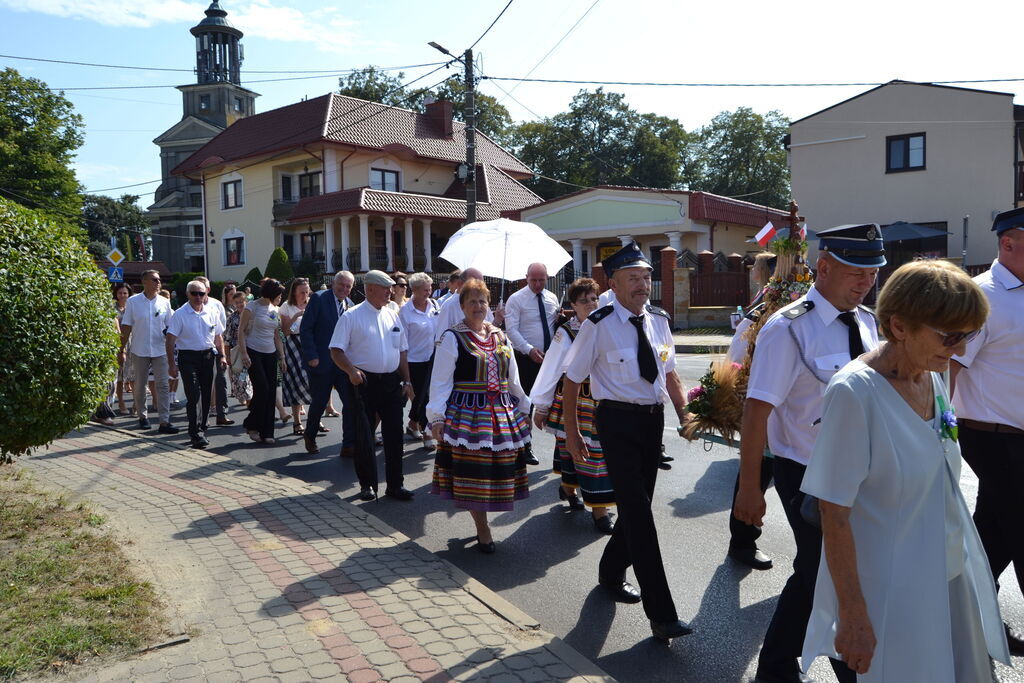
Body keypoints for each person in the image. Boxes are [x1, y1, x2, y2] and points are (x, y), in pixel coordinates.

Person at [801, 260, 1009, 681]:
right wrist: (854, 615)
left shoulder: (933, 373)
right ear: (898, 326)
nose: (962, 350)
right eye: (951, 336)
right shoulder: (854, 393)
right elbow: (834, 513)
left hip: (949, 577)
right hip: (892, 593)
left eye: (968, 335)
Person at [733, 224, 886, 683]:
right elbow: (756, 413)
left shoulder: (867, 322)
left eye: (873, 272)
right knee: (824, 566)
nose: (865, 281)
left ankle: (784, 664)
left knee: (825, 572)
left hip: (859, 473)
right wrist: (748, 489)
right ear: (823, 267)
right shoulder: (788, 329)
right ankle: (802, 667)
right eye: (855, 271)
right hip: (806, 473)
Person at [561, 242, 693, 643]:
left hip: (651, 424)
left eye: (646, 277)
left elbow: (669, 373)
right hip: (615, 421)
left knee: (639, 509)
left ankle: (610, 568)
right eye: (633, 278)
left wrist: (685, 413)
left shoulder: (658, 321)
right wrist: (572, 433)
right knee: (639, 514)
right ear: (613, 284)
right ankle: (662, 614)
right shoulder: (597, 324)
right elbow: (571, 382)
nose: (642, 285)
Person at [951, 206, 1024, 656]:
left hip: (1018, 438)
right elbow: (949, 367)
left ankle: (965, 620)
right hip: (992, 435)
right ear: (1008, 244)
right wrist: (934, 432)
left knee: (991, 536)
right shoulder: (981, 296)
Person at [428, 278, 532, 553]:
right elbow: (440, 381)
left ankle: (484, 520)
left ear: (489, 305)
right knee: (474, 472)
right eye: (471, 301)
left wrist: (524, 406)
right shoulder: (452, 337)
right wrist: (437, 416)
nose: (478, 306)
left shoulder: (500, 336)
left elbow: (513, 377)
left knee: (496, 471)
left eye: (482, 301)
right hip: (468, 415)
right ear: (462, 306)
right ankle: (482, 528)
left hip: (500, 412)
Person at [530, 277, 614, 533]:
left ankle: (568, 488)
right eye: (583, 301)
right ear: (572, 305)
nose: (590, 304)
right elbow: (551, 368)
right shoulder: (566, 332)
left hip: (604, 403)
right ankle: (599, 512)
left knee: (601, 457)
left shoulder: (607, 326)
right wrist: (542, 406)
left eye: (593, 299)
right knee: (585, 455)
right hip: (576, 402)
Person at [329, 270, 415, 502]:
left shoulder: (392, 315)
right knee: (364, 435)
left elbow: (402, 350)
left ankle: (395, 485)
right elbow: (336, 350)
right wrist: (351, 371)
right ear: (369, 289)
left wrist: (407, 381)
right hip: (364, 382)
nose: (390, 291)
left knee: (395, 434)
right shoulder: (351, 316)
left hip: (390, 382)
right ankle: (367, 484)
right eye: (385, 287)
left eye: (391, 287)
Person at [724, 252, 779, 572]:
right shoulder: (759, 314)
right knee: (756, 475)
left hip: (809, 424)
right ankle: (743, 540)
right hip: (767, 416)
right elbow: (736, 359)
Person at [504, 263, 560, 468]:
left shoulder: (552, 298)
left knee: (555, 405)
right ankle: (525, 446)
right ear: (526, 277)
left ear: (547, 278)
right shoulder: (517, 299)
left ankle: (562, 451)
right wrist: (529, 349)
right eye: (533, 280)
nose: (537, 284)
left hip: (550, 360)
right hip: (526, 360)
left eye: (541, 279)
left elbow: (553, 325)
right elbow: (511, 330)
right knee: (525, 404)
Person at [165, 280, 227, 449]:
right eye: (194, 293)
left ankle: (202, 425)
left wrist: (222, 356)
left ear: (206, 294)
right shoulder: (179, 314)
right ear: (188, 294)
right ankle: (195, 432)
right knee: (193, 395)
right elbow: (170, 340)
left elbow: (218, 336)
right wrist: (172, 363)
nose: (198, 297)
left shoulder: (211, 312)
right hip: (188, 357)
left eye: (202, 293)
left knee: (207, 393)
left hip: (208, 356)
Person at [300, 271, 356, 456]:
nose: (344, 289)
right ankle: (310, 435)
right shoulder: (319, 298)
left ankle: (348, 444)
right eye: (342, 285)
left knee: (349, 402)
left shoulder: (351, 306)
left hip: (343, 364)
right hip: (321, 361)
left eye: (348, 286)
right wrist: (311, 355)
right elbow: (306, 328)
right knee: (320, 402)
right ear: (334, 283)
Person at [118, 269, 178, 434]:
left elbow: (170, 326)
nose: (159, 283)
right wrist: (121, 349)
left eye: (159, 280)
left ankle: (164, 421)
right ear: (144, 282)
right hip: (140, 349)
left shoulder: (164, 302)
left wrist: (172, 344)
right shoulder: (133, 301)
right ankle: (142, 417)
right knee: (139, 385)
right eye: (155, 280)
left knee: (163, 385)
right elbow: (127, 325)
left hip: (160, 349)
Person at [238, 278, 286, 444]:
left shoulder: (274, 309)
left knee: (271, 392)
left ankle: (267, 432)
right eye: (278, 294)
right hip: (254, 351)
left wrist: (282, 357)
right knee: (263, 389)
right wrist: (244, 354)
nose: (280, 297)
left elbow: (276, 335)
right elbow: (241, 331)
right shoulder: (252, 307)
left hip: (270, 353)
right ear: (271, 293)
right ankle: (251, 424)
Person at [399, 272, 440, 448]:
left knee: (429, 397)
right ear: (414, 290)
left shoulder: (435, 305)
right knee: (421, 398)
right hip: (415, 361)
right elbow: (402, 343)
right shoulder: (405, 312)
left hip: (434, 359)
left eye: (430, 288)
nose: (428, 292)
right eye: (424, 289)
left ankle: (412, 423)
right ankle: (427, 432)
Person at [280, 277, 316, 437]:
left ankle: (315, 420)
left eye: (306, 292)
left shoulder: (313, 304)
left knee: (314, 383)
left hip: (310, 343)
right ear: (294, 292)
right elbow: (285, 331)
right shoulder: (286, 307)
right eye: (302, 292)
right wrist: (298, 316)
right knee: (296, 381)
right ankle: (297, 422)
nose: (305, 295)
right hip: (294, 344)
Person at [195, 276, 232, 427]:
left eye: (202, 290)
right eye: (196, 291)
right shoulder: (189, 306)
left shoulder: (216, 305)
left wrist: (223, 353)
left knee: (221, 380)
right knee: (201, 384)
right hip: (199, 351)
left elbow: (220, 330)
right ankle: (201, 417)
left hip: (215, 348)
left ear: (208, 290)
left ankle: (222, 414)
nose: (199, 294)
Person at [224, 290, 253, 406]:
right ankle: (243, 396)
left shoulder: (252, 314)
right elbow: (227, 337)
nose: (240, 304)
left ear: (246, 301)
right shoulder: (232, 318)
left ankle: (250, 398)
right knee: (241, 375)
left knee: (252, 376)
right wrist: (227, 355)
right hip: (237, 350)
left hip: (252, 348)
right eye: (237, 303)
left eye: (241, 301)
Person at [112, 282, 132, 416]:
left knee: (132, 375)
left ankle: (136, 404)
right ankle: (121, 402)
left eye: (125, 293)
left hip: (133, 343)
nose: (123, 295)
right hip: (118, 344)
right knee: (119, 375)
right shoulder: (113, 309)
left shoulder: (132, 307)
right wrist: (120, 349)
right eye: (120, 293)